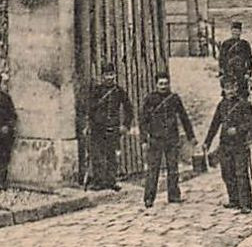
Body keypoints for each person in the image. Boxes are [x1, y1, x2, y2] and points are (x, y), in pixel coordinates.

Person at [138, 71, 195, 208]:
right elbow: (143, 121)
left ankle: (174, 195)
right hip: (156, 139)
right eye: (160, 84)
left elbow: (184, 117)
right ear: (156, 84)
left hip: (171, 138)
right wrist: (144, 140)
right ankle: (149, 198)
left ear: (169, 84)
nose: (163, 86)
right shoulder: (150, 99)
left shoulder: (174, 98)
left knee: (173, 168)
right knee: (153, 169)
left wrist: (191, 136)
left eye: (166, 83)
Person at [204, 75, 252, 213]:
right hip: (225, 145)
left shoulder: (244, 104)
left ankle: (246, 203)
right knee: (227, 173)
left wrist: (238, 129)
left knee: (241, 173)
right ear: (223, 89)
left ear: (237, 87)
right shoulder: (221, 106)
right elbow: (215, 124)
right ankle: (234, 200)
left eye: (233, 87)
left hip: (240, 144)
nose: (231, 90)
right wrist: (207, 142)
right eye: (227, 87)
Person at [83, 63, 134, 191]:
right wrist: (88, 125)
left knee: (112, 155)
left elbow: (129, 109)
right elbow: (89, 109)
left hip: (113, 127)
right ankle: (99, 181)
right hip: (97, 127)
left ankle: (111, 181)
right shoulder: (97, 91)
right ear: (102, 76)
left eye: (111, 74)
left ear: (115, 75)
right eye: (107, 75)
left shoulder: (119, 91)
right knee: (97, 154)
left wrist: (126, 125)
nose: (109, 77)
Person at [217, 20, 252, 97]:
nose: (236, 33)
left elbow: (249, 59)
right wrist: (221, 73)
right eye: (234, 31)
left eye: (237, 31)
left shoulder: (245, 44)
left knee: (242, 94)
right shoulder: (226, 44)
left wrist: (248, 73)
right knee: (228, 95)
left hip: (241, 73)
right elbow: (221, 59)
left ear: (240, 32)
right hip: (229, 73)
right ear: (231, 31)